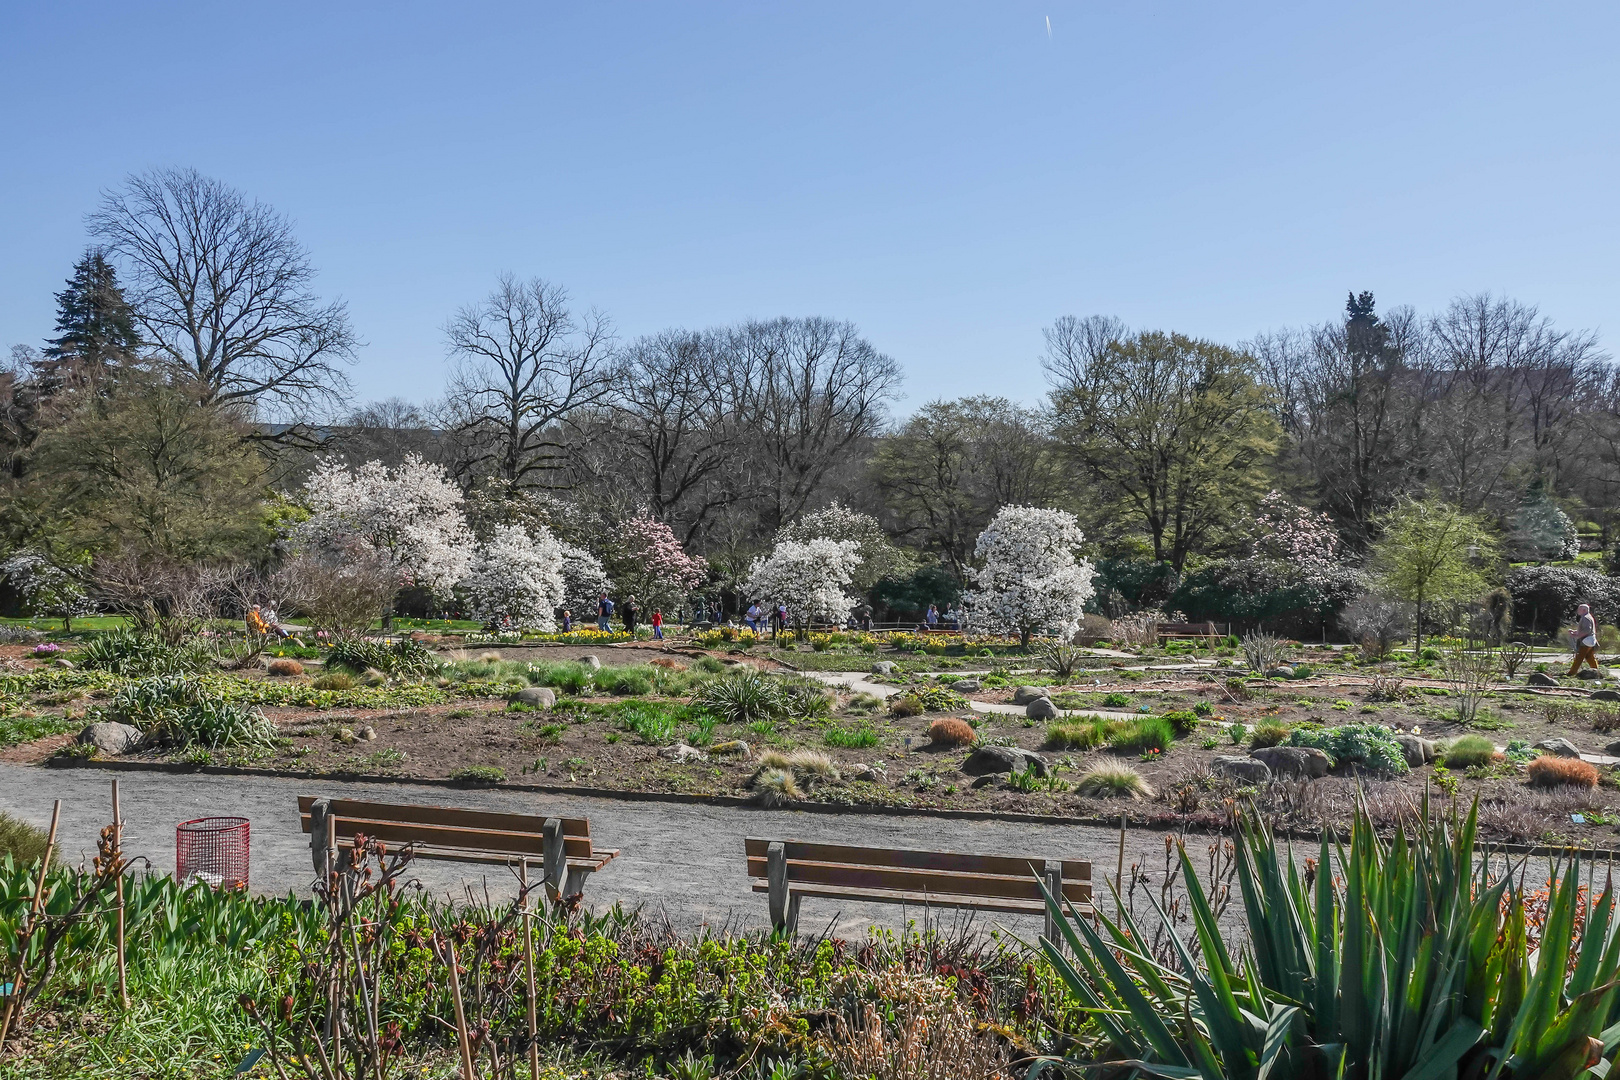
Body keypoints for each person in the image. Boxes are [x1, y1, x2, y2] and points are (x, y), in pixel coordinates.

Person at [1570, 602, 1601, 675]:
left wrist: (1577, 635)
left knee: (1579, 657)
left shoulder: (1585, 618)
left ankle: (1571, 673)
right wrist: (1575, 632)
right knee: (1589, 657)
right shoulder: (1588, 617)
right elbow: (1586, 630)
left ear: (1584, 610)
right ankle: (1596, 672)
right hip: (1590, 640)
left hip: (1585, 641)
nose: (1578, 611)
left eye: (1579, 609)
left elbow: (1587, 630)